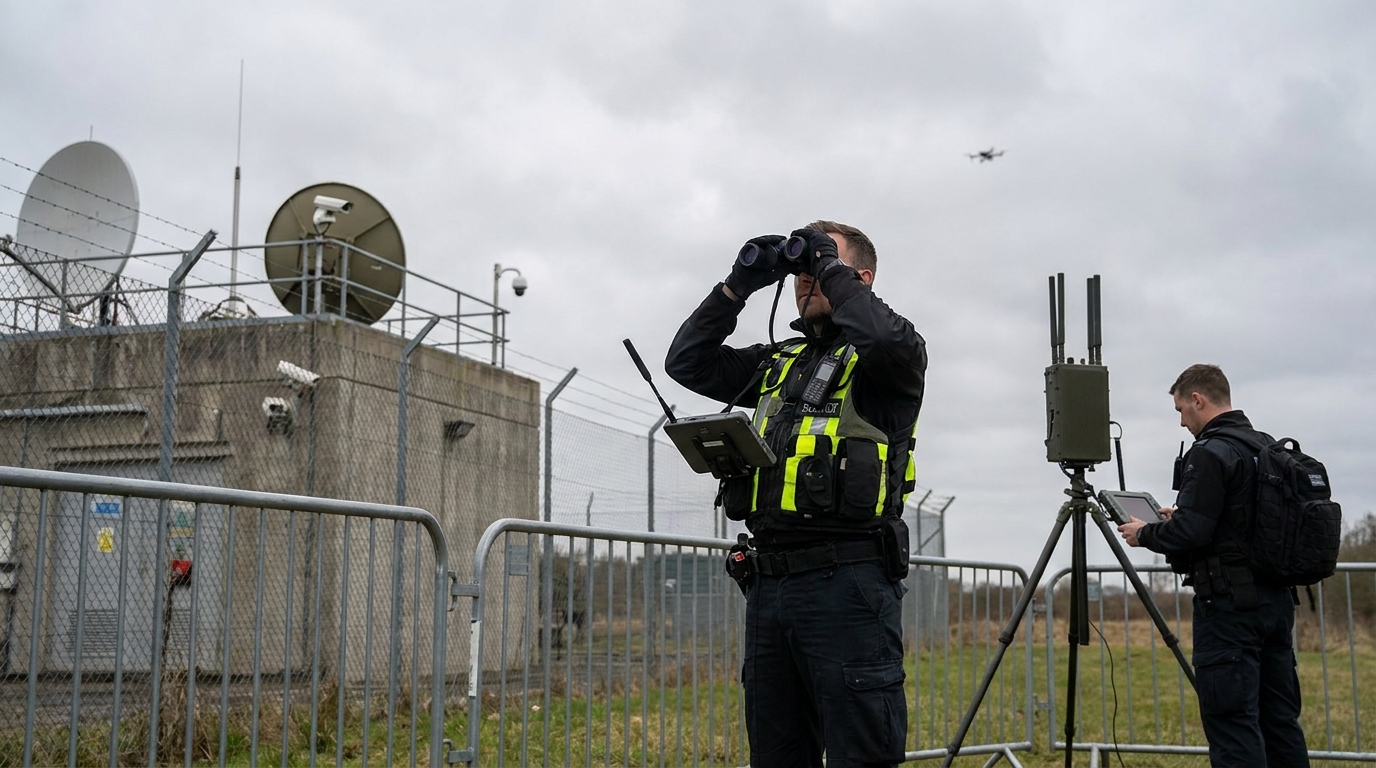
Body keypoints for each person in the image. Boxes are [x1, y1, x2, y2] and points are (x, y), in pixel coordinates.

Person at [665, 221, 926, 767]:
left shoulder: (889, 360)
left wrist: (828, 263)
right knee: (778, 754)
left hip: (849, 587)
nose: (806, 280)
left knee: (862, 754)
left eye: (821, 269)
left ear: (862, 278)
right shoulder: (775, 364)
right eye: (801, 272)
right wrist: (740, 285)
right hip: (769, 588)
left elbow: (876, 336)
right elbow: (686, 361)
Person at [1118, 364, 1309, 767]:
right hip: (1275, 605)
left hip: (1229, 611)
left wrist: (1145, 533)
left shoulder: (1210, 452)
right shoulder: (1265, 447)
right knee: (1280, 723)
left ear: (1197, 400)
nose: (1183, 422)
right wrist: (1182, 518)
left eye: (1180, 411)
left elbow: (1193, 534)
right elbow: (1236, 522)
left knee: (1233, 724)